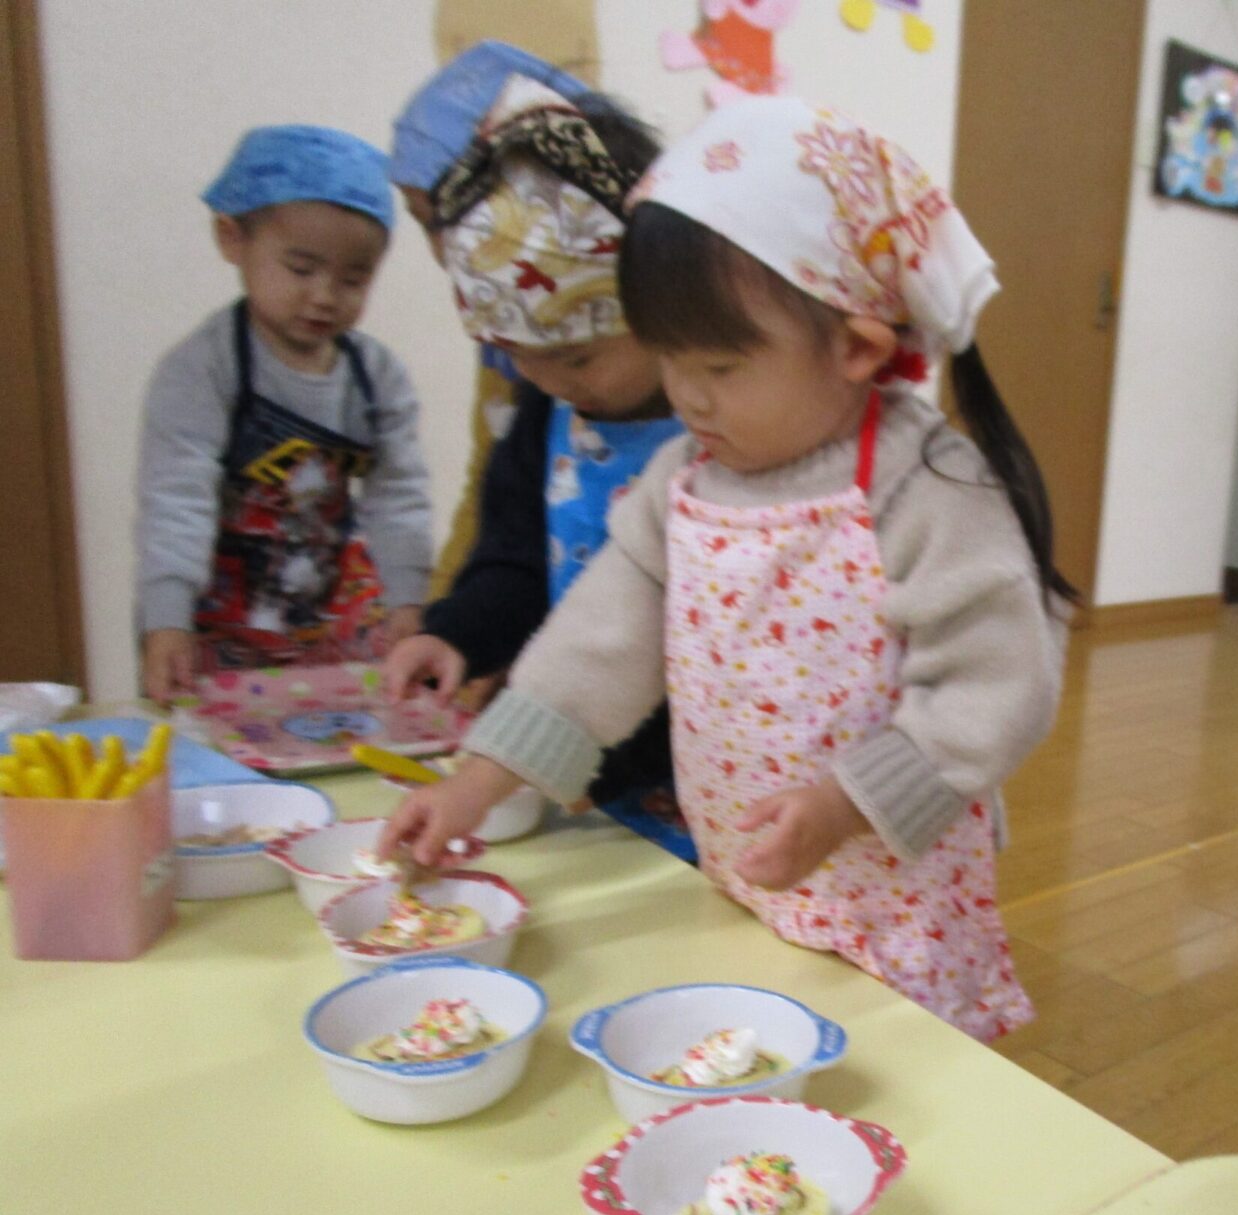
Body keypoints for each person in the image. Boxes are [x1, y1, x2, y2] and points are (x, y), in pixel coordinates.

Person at [383, 97, 1070, 1039]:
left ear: (857, 347)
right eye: (668, 360)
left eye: (721, 366)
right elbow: (593, 645)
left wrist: (843, 804)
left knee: (900, 1091)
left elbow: (998, 688)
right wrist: (474, 782)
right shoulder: (686, 481)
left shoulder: (926, 485)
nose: (686, 398)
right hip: (747, 873)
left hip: (888, 902)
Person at [380, 75, 688, 823]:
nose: (549, 380)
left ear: (663, 306)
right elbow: (515, 560)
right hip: (581, 774)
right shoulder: (546, 411)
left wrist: (600, 759)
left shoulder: (715, 439)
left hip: (696, 786)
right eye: (519, 354)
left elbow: (679, 647)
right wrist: (456, 634)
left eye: (578, 358)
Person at [137, 126, 432, 703]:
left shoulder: (378, 376)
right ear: (231, 239)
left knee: (350, 733)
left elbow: (399, 496)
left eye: (354, 279)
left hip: (331, 613)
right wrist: (165, 617)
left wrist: (408, 603)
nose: (325, 295)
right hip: (217, 621)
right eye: (301, 269)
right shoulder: (203, 367)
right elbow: (176, 496)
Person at [388, 39, 593, 592]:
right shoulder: (502, 323)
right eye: (422, 223)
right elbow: (508, 492)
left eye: (442, 223)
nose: (439, 252)